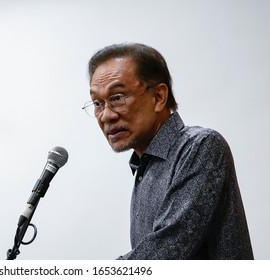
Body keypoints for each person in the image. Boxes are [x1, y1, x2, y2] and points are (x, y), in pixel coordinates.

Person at [83, 43, 254, 259]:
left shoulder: (200, 146)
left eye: (117, 98)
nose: (106, 115)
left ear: (158, 97)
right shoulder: (143, 165)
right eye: (97, 103)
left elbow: (166, 251)